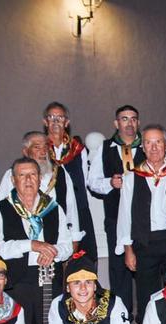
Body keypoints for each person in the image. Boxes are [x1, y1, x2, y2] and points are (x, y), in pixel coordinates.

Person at [116, 124, 166, 324]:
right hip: (145, 242)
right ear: (142, 147)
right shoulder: (131, 178)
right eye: (149, 143)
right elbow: (125, 215)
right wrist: (128, 249)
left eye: (158, 142)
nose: (154, 148)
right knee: (147, 293)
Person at [0, 157, 73, 324]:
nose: (28, 180)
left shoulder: (53, 208)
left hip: (50, 280)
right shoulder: (1, 209)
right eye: (22, 175)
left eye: (32, 174)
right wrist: (31, 245)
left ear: (40, 178)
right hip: (17, 282)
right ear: (13, 180)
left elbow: (67, 246)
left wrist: (52, 252)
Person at [87, 104, 143, 315]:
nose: (129, 123)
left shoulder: (147, 146)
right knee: (119, 267)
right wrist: (110, 183)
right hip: (115, 216)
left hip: (143, 218)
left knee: (145, 265)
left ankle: (147, 316)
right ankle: (122, 316)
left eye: (133, 118)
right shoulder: (106, 147)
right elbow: (92, 181)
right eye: (124, 119)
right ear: (116, 123)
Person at [0, 131, 81, 253]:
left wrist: (74, 240)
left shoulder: (60, 174)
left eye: (46, 146)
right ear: (26, 151)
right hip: (20, 246)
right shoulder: (13, 175)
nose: (43, 151)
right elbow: (1, 209)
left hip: (56, 246)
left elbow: (71, 207)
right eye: (37, 147)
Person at [42, 102, 97, 260]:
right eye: (51, 117)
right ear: (45, 122)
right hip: (50, 207)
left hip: (77, 207)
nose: (56, 121)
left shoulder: (78, 149)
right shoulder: (40, 148)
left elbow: (84, 179)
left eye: (60, 117)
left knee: (83, 255)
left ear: (66, 122)